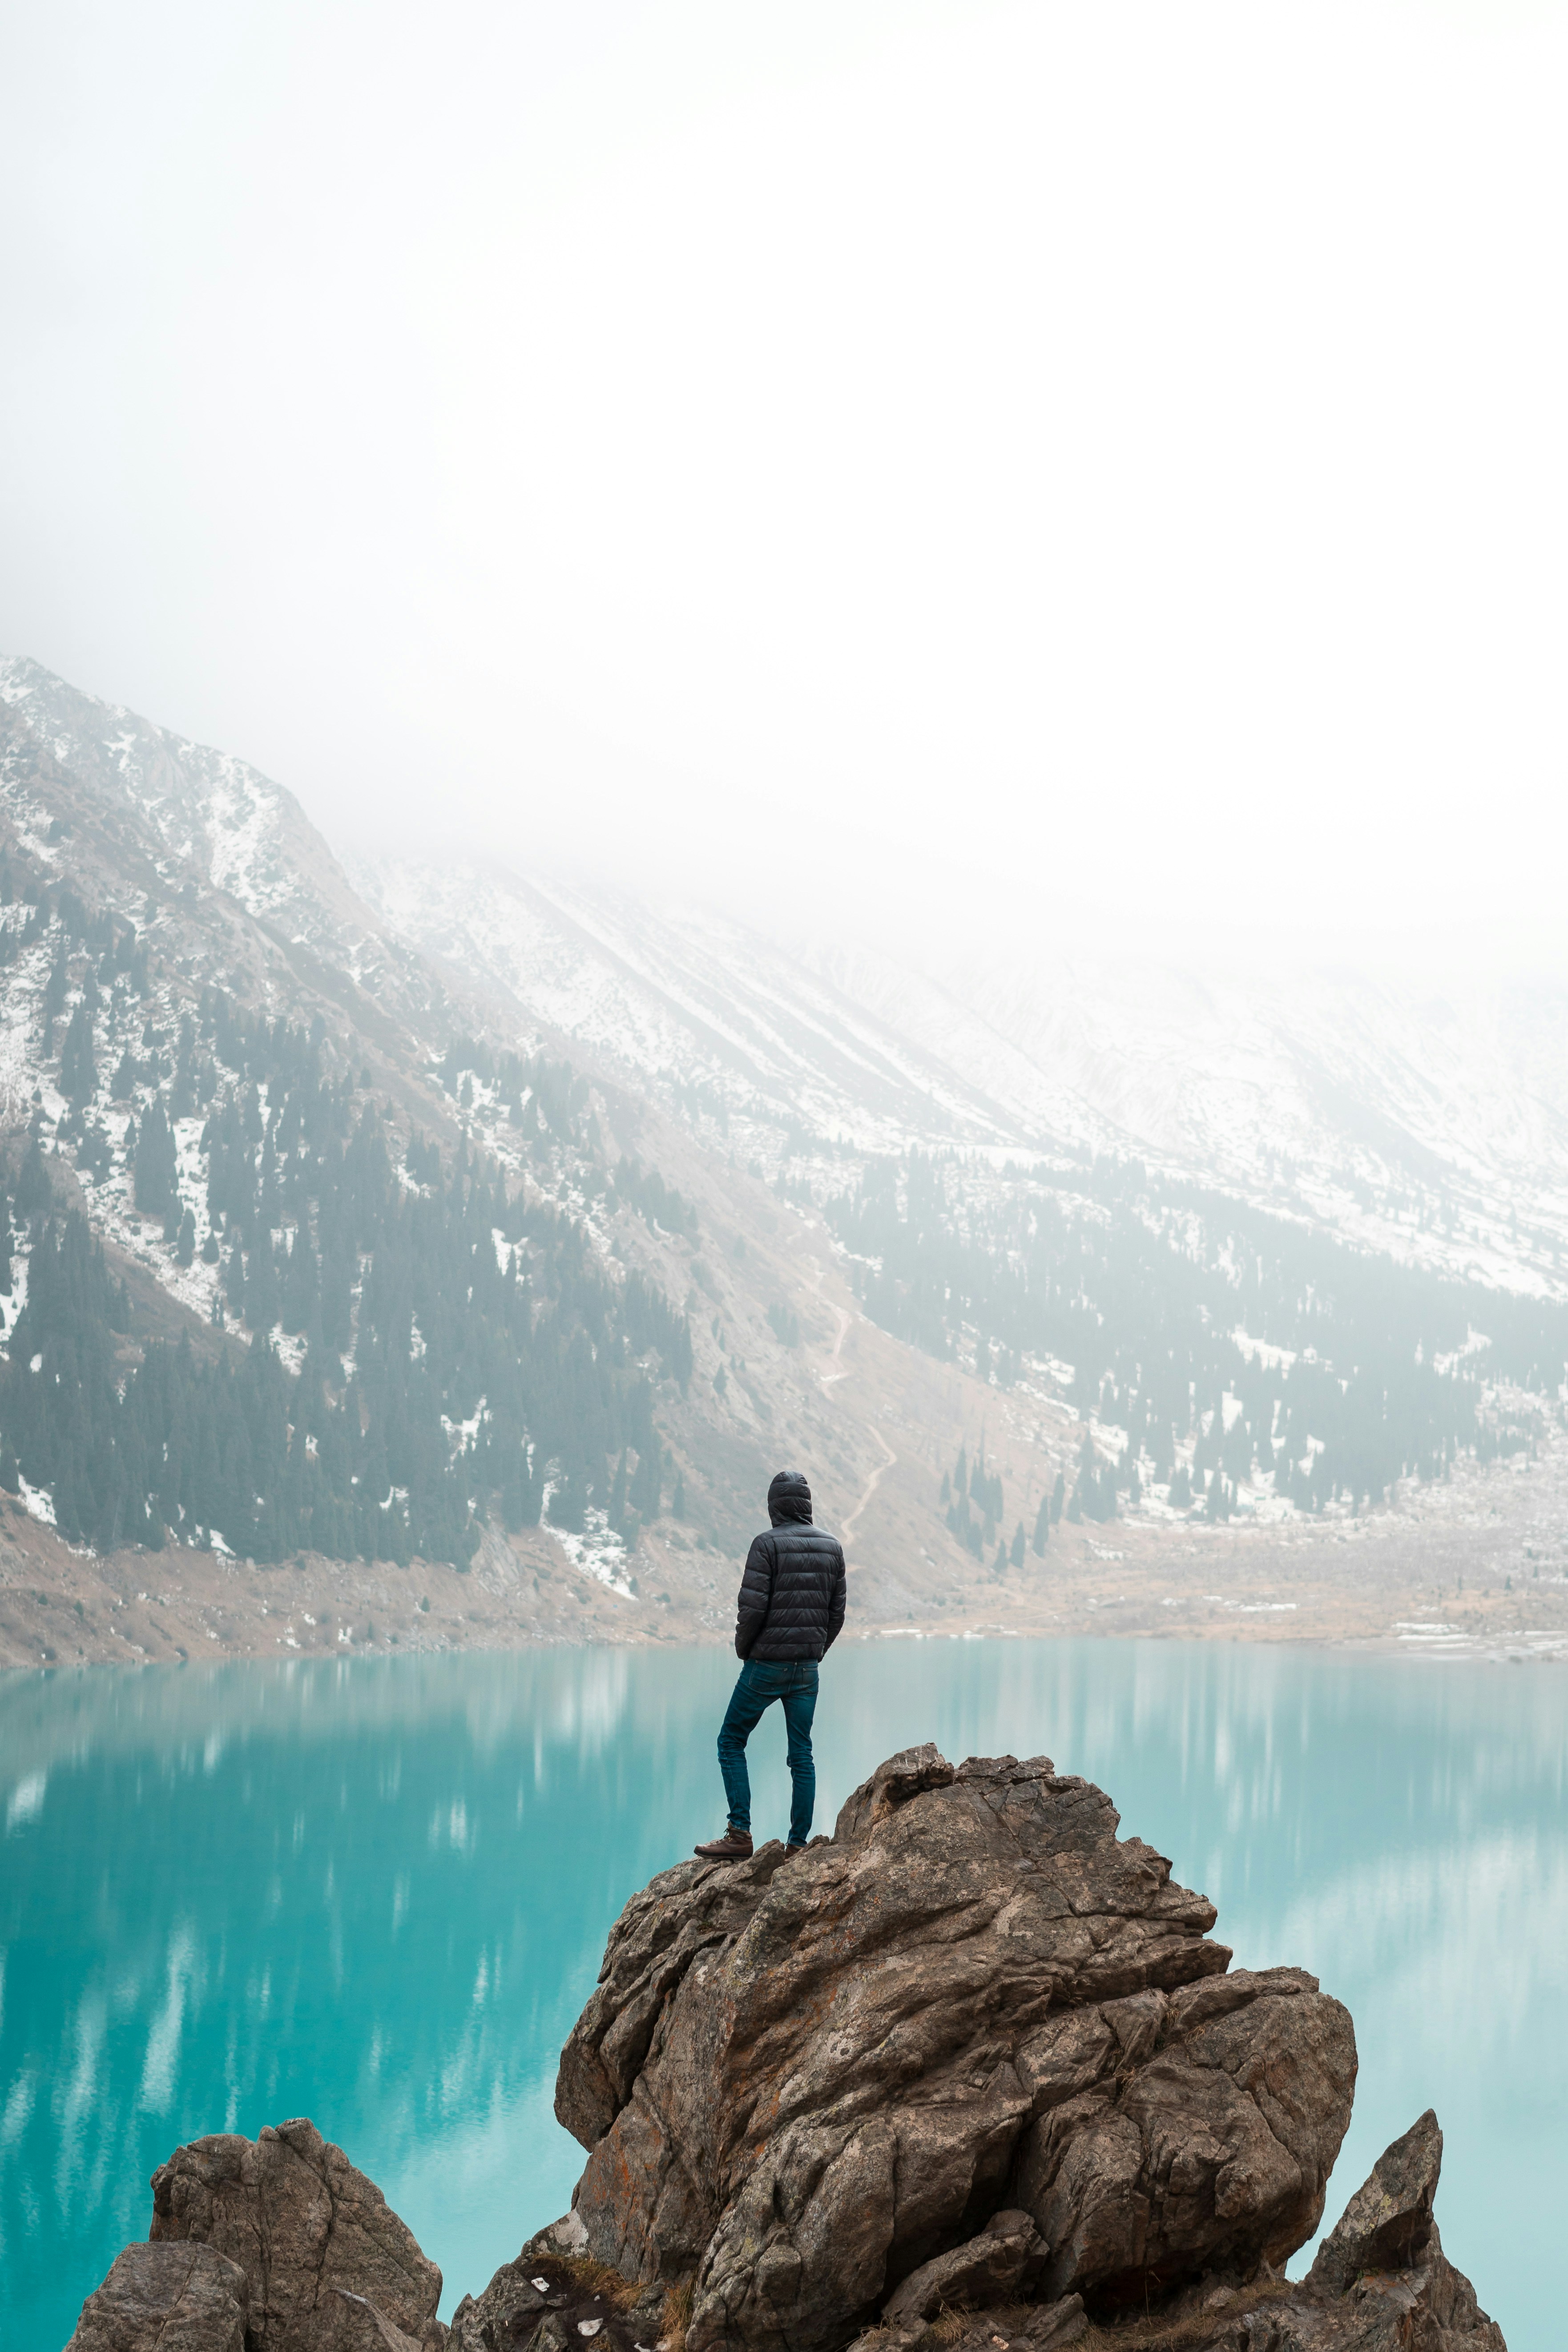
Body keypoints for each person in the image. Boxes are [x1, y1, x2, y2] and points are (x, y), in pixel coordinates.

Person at [694, 1469, 846, 1861]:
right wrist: (815, 1651)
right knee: (801, 1754)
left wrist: (746, 1650)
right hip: (806, 1670)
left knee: (730, 1741)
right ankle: (797, 1845)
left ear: (773, 1506)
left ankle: (739, 1833)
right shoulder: (832, 1547)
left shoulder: (766, 1544)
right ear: (806, 1505)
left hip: (765, 1665)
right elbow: (836, 1613)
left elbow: (752, 1608)